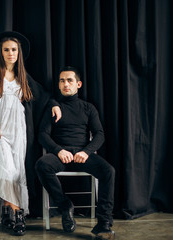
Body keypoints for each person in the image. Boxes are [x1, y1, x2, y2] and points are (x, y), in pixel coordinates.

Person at [0, 31, 61, 236]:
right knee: (3, 170)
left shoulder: (24, 77)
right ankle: (17, 214)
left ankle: (8, 213)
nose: (10, 53)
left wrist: (55, 105)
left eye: (14, 49)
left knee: (15, 173)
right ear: (1, 52)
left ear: (19, 52)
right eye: (6, 50)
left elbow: (45, 96)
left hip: (20, 133)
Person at [35, 66, 115, 240]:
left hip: (82, 155)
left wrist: (86, 152)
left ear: (78, 84)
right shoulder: (53, 107)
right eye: (62, 80)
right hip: (60, 154)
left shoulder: (88, 108)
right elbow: (42, 134)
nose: (65, 84)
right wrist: (58, 150)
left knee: (108, 171)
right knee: (42, 165)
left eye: (69, 80)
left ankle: (104, 224)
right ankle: (65, 206)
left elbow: (99, 134)